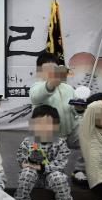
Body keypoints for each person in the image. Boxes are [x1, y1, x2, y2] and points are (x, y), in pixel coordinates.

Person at [16, 105, 78, 200]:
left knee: (59, 176)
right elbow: (21, 157)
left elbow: (61, 163)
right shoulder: (28, 142)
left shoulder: (60, 143)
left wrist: (42, 167)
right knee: (26, 172)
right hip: (33, 177)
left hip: (52, 177)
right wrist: (26, 163)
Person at [29, 52, 85, 182]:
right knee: (52, 169)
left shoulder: (68, 88)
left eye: (54, 69)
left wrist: (79, 109)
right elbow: (36, 97)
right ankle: (44, 173)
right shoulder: (37, 86)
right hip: (51, 135)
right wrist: (50, 84)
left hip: (71, 130)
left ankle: (80, 170)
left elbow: (75, 110)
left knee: (90, 138)